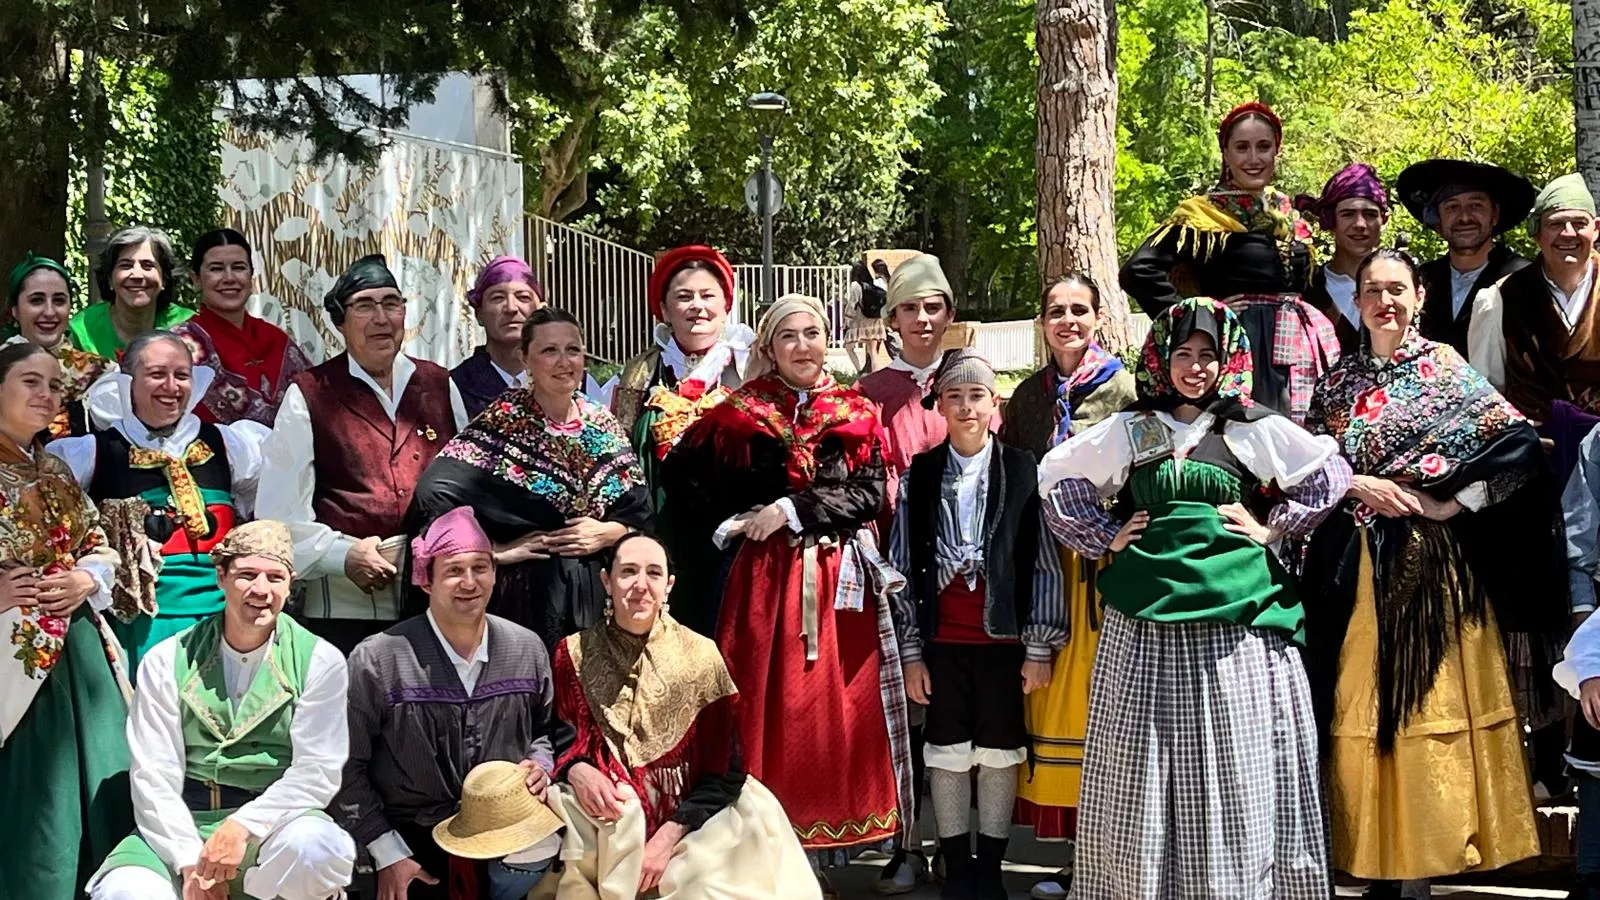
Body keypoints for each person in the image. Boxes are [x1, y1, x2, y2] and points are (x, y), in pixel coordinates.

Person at [1037, 297, 1351, 899]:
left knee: (1233, 758)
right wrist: (1107, 535)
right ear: (1161, 359)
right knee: (1144, 761)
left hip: (1235, 624)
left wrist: (1272, 526)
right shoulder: (1133, 427)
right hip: (1147, 623)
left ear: (1229, 361)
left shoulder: (1252, 426)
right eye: (1183, 353)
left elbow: (1327, 474)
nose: (1195, 367)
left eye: (1209, 355)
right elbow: (1056, 476)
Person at [1299, 249, 1547, 898]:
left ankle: (1418, 872)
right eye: (1372, 290)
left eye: (1397, 290)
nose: (1385, 301)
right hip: (1351, 573)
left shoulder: (1446, 371)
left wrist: (1449, 502)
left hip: (1428, 572)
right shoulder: (1337, 383)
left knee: (1418, 714)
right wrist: (1357, 482)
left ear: (1420, 298)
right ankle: (1372, 859)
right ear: (1355, 302)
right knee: (1360, 710)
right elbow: (1300, 469)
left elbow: (1516, 447)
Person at [663, 294, 910, 894]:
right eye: (790, 336)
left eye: (814, 333)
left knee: (831, 710)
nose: (804, 346)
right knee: (760, 703)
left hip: (834, 584)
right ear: (769, 347)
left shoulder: (856, 411)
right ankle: (759, 841)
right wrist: (732, 523)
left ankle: (826, 849)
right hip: (763, 585)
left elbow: (871, 494)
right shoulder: (738, 413)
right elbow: (682, 482)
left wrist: (791, 507)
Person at [88, 520, 354, 900]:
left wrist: (243, 825)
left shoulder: (320, 660)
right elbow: (154, 773)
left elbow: (317, 772)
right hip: (182, 822)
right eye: (247, 575)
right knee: (123, 892)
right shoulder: (167, 659)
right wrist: (189, 862)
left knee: (320, 848)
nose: (261, 590)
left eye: (274, 577)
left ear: (290, 584)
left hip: (271, 828)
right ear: (221, 576)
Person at [546, 532, 818, 899]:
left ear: (669, 586)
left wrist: (667, 838)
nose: (640, 585)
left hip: (696, 815)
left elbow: (727, 772)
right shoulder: (573, 653)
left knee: (705, 885)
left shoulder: (701, 656)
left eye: (653, 573)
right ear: (606, 582)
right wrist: (577, 768)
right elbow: (561, 735)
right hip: (611, 815)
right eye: (628, 572)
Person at [887, 350, 1064, 900]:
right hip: (942, 640)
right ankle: (956, 864)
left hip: (1004, 639)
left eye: (976, 396)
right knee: (945, 750)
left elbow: (1044, 564)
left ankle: (989, 864)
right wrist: (911, 652)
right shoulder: (920, 473)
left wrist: (1039, 646)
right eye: (954, 397)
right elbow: (899, 568)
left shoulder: (1022, 469)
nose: (965, 407)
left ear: (995, 405)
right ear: (939, 405)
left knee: (999, 750)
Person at [335, 506, 562, 900]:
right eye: (454, 570)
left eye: (481, 567)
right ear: (426, 580)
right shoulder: (379, 659)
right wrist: (386, 851)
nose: (469, 582)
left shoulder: (526, 649)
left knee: (544, 846)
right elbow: (343, 764)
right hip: (408, 836)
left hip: (500, 826)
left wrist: (540, 766)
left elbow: (543, 731)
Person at [994, 274, 1134, 900]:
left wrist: (1118, 526)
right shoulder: (1027, 398)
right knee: (1064, 710)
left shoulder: (1129, 389)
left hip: (1112, 573)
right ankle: (1083, 862)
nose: (1068, 320)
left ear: (1099, 317)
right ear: (1042, 322)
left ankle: (1123, 864)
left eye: (1080, 309)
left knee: (1117, 712)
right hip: (1051, 574)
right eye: (1056, 311)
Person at [255, 254, 468, 654]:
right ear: (340, 323)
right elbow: (278, 514)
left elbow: (466, 486)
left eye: (391, 303)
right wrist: (343, 556)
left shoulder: (439, 385)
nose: (381, 318)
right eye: (365, 306)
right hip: (344, 604)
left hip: (433, 600)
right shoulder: (311, 393)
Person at [411, 307, 652, 651]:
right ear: (525, 359)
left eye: (573, 350)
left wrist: (609, 532)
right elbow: (434, 494)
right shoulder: (504, 421)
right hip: (529, 599)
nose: (563, 362)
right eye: (549, 351)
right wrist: (494, 551)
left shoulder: (602, 423)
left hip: (601, 597)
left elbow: (639, 511)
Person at [855, 253, 981, 894]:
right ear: (893, 319)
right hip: (895, 565)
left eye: (934, 306)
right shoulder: (872, 393)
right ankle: (904, 843)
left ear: (949, 314)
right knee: (904, 709)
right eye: (910, 307)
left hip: (963, 575)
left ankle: (956, 844)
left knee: (955, 711)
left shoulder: (973, 385)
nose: (923, 318)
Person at [49, 332, 269, 672]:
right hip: (141, 625)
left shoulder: (231, 445)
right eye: (156, 374)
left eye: (182, 375)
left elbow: (269, 500)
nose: (172, 386)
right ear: (128, 383)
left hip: (228, 619)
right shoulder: (91, 454)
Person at [0, 341, 132, 900]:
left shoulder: (54, 468)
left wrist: (86, 578)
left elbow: (100, 544)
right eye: (31, 381)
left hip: (79, 660)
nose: (46, 394)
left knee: (99, 795)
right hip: (11, 667)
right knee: (34, 809)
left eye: (54, 385)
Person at [1119, 101, 1341, 424]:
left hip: (1298, 353)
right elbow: (1138, 271)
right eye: (1242, 148)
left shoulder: (1289, 217)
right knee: (1246, 440)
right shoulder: (1204, 216)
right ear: (1226, 154)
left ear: (1276, 152)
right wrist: (1199, 317)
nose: (1254, 158)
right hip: (1242, 346)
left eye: (1263, 147)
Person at [612, 245, 753, 636]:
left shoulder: (748, 369)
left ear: (726, 304)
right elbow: (618, 449)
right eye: (684, 296)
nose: (697, 307)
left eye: (708, 296)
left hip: (735, 539)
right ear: (663, 307)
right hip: (660, 532)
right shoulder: (641, 373)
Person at [1469, 172, 1600, 421]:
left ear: (1596, 230)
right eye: (1556, 224)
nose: (1568, 233)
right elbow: (1485, 394)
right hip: (1534, 450)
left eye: (1579, 223)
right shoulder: (1499, 299)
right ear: (1537, 233)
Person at [170, 228, 315, 426]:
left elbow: (316, 402)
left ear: (251, 277)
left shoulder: (275, 339)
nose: (229, 278)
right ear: (196, 280)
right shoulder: (179, 345)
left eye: (238, 268)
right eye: (216, 269)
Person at [1395, 158, 1534, 355]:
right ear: (1437, 221)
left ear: (1494, 215)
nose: (1465, 217)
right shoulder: (1421, 280)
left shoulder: (1524, 279)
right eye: (1452, 207)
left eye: (1476, 206)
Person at [6, 253, 117, 438]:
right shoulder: (3, 364)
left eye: (59, 301)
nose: (49, 312)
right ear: (15, 310)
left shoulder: (100, 374)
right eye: (36, 300)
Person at [1297, 163, 1390, 355]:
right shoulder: (1305, 286)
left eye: (1370, 214)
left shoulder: (1400, 288)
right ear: (1331, 220)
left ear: (1383, 220)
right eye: (1348, 214)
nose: (1360, 224)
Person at [69, 226, 195, 358]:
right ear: (109, 279)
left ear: (164, 279)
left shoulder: (190, 326)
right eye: (125, 265)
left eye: (147, 265)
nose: (137, 275)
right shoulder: (81, 331)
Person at [452, 255, 546, 420]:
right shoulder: (453, 387)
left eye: (523, 297)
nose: (511, 308)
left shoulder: (572, 381)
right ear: (478, 314)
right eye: (497, 298)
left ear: (541, 311)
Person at [845, 259, 889, 374]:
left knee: (849, 347)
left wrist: (847, 318)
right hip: (876, 321)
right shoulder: (872, 284)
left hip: (862, 321)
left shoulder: (855, 285)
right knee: (873, 352)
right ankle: (875, 378)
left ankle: (860, 372)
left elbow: (852, 303)